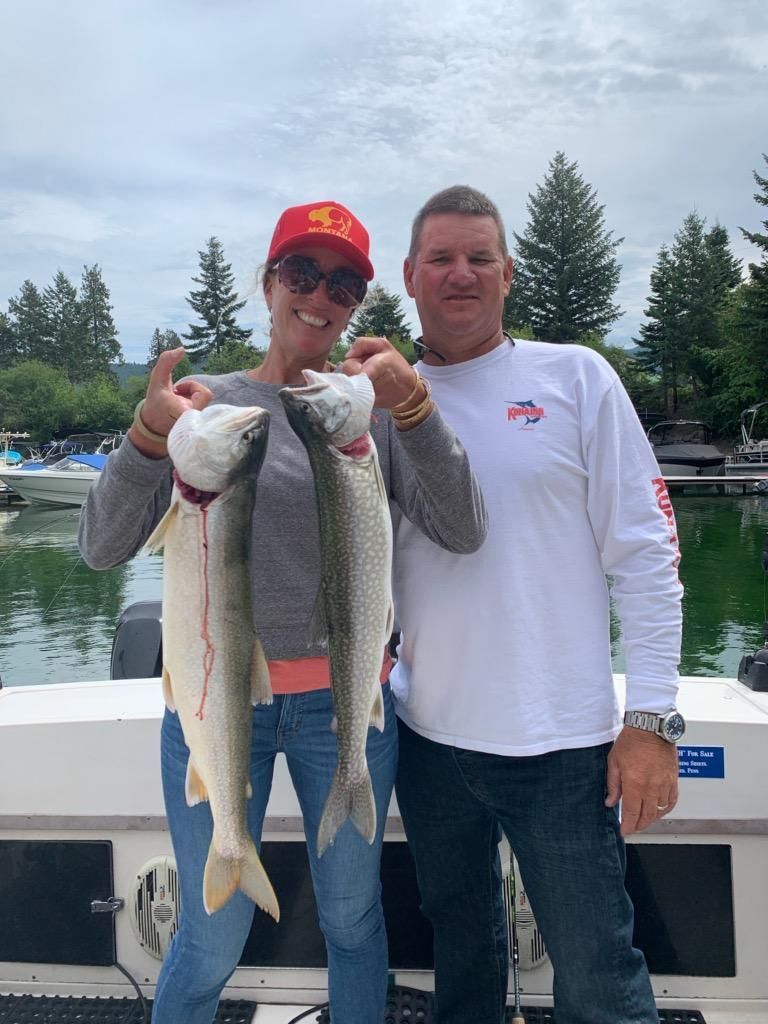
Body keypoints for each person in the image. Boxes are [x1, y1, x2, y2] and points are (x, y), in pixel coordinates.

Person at [78, 199, 487, 1024]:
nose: (319, 295)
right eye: (301, 273)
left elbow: (463, 527)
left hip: (346, 711)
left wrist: (412, 407)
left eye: (341, 282)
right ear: (268, 285)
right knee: (211, 931)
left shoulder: (367, 410)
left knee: (352, 918)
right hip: (213, 706)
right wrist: (149, 435)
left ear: (356, 304)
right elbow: (101, 546)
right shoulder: (207, 411)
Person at [376, 185, 684, 1024]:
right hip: (427, 738)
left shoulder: (576, 377)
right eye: (441, 258)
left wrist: (652, 719)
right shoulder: (373, 405)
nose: (461, 274)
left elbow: (647, 555)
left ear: (509, 272)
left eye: (480, 257)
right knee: (460, 954)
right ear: (409, 275)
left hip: (563, 746)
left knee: (597, 972)